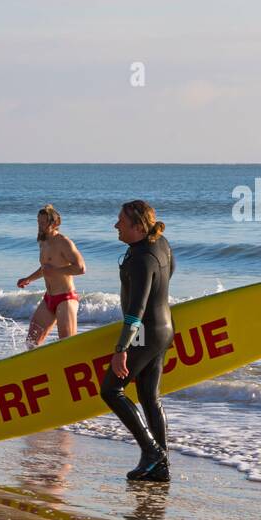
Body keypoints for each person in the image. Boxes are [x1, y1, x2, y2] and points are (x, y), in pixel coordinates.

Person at [102, 199, 174, 482]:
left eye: (120, 220)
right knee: (148, 397)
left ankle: (153, 452)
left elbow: (136, 310)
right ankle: (160, 466)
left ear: (138, 226)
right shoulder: (161, 243)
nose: (116, 225)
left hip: (145, 332)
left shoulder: (142, 259)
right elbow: (169, 274)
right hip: (164, 328)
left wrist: (121, 349)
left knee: (111, 390)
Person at [17, 204, 86, 347]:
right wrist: (28, 279)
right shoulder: (43, 242)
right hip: (49, 298)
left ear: (55, 223)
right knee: (31, 343)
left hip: (65, 299)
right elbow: (45, 268)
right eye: (38, 222)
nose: (40, 226)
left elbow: (81, 268)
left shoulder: (64, 242)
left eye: (43, 223)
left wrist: (55, 271)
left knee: (67, 345)